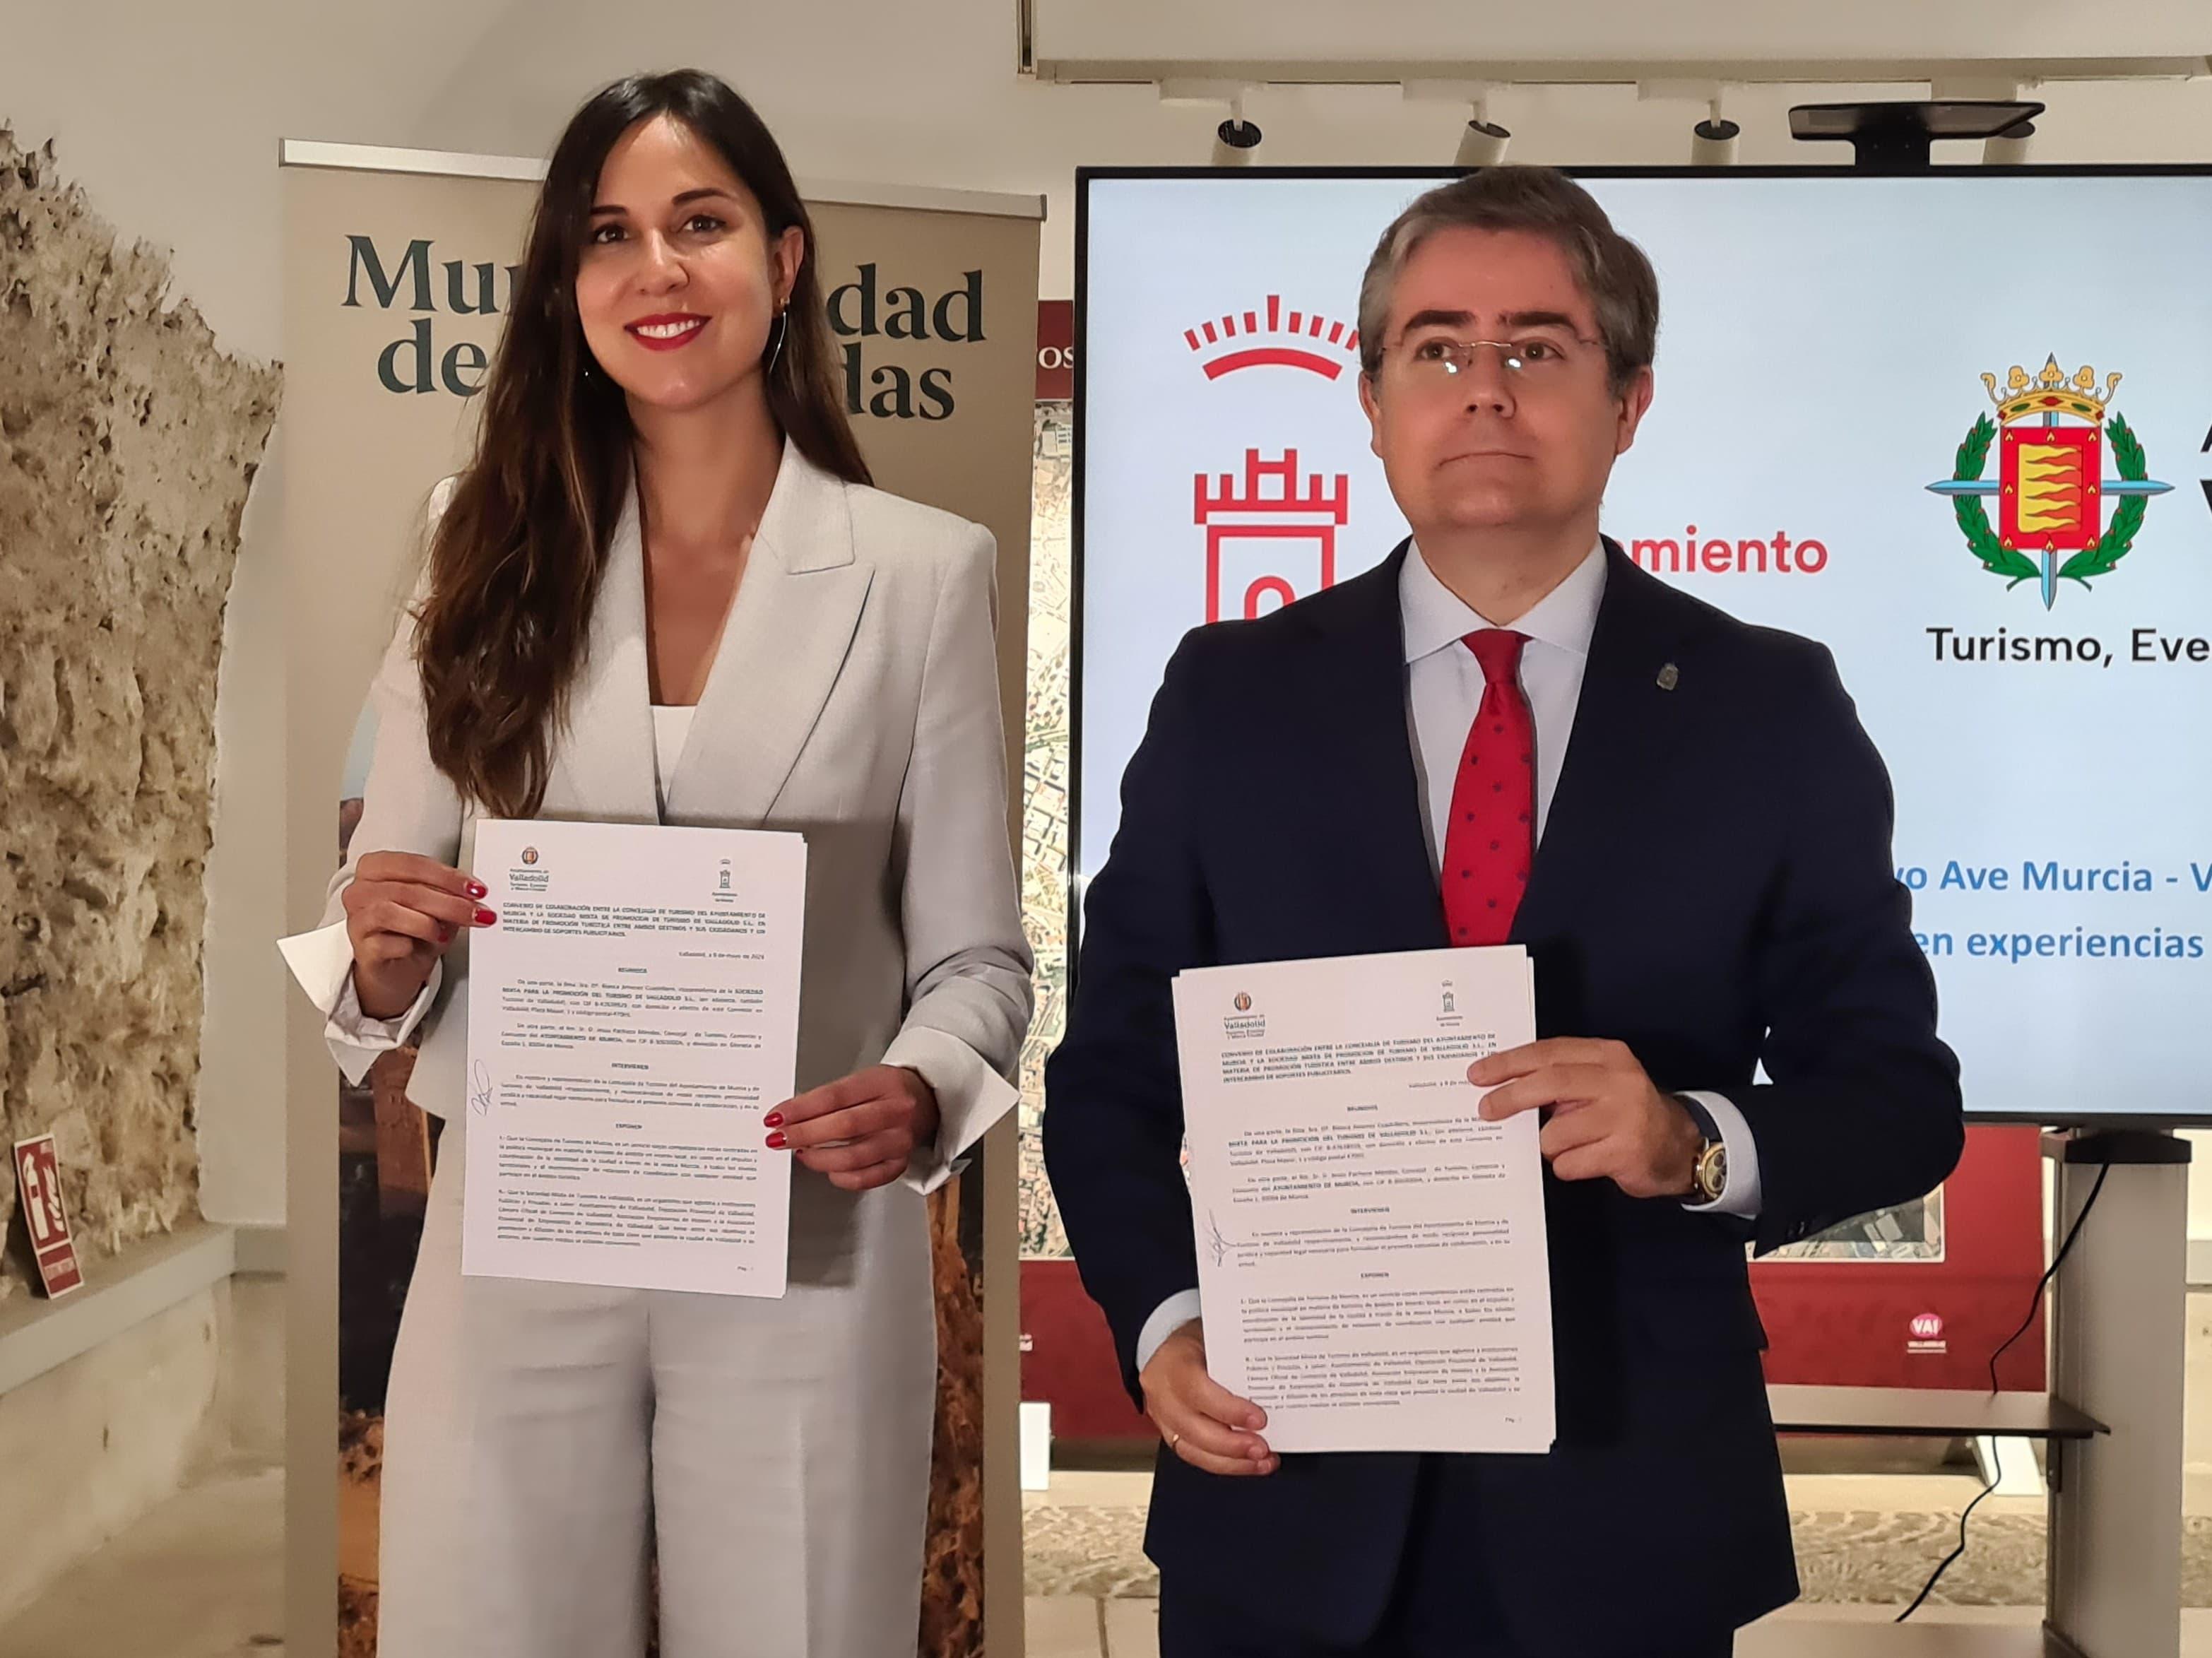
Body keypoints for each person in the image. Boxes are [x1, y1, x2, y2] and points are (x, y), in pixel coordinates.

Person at [1043, 167, 1964, 1657]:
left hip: (1627, 1508)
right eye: (1437, 348)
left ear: (1629, 400)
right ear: (1372, 400)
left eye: (1536, 346)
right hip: (1286, 1478)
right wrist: (1163, 1320)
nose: (1485, 388)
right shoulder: (1229, 697)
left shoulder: (1768, 708)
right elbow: (1108, 1082)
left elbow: (1898, 1098)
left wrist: (1691, 1139)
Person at [294, 70, 1031, 1657]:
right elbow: (385, 916)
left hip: (807, 1253)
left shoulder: (920, 576)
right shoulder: (476, 546)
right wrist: (379, 953)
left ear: (787, 257)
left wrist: (922, 1090)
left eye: (700, 223)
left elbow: (978, 962)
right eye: (609, 234)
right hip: (521, 1238)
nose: (658, 269)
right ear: (568, 286)